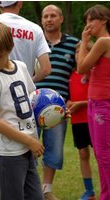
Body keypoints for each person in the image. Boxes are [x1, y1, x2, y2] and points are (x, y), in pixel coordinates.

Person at [0, 21, 45, 200]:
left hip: (26, 145)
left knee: (36, 197)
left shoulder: (22, 67)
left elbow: (33, 100)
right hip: (6, 151)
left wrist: (54, 113)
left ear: (10, 47)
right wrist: (29, 141)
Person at [34, 5, 80, 200]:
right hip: (32, 104)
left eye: (53, 15)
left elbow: (79, 74)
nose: (49, 19)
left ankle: (46, 191)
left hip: (58, 108)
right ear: (42, 20)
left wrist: (73, 98)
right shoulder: (34, 42)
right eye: (45, 16)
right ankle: (30, 188)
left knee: (54, 150)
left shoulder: (74, 44)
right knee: (29, 147)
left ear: (61, 19)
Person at [0, 1, 51, 83]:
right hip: (23, 91)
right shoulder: (35, 29)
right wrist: (29, 81)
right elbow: (46, 69)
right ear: (20, 3)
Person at [77, 5, 110, 200]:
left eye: (92, 20)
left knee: (103, 154)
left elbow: (80, 67)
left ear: (104, 20)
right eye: (86, 21)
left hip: (101, 105)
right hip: (96, 104)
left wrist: (84, 41)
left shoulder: (103, 42)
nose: (88, 25)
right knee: (101, 154)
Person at [66, 41, 96, 200]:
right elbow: (71, 97)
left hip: (95, 119)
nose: (79, 55)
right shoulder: (71, 74)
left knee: (101, 155)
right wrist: (69, 103)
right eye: (77, 52)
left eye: (83, 51)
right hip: (77, 121)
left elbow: (101, 99)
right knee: (83, 154)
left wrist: (81, 104)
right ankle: (89, 192)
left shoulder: (95, 73)